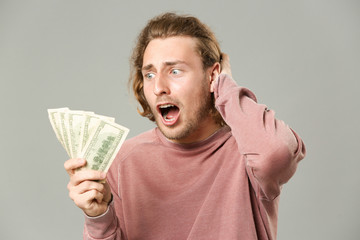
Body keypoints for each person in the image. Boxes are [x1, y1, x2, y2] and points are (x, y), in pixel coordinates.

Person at [64, 12, 306, 240]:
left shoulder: (247, 151)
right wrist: (98, 217)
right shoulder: (124, 161)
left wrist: (226, 88)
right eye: (149, 74)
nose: (159, 87)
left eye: (175, 71)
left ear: (212, 77)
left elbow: (277, 153)